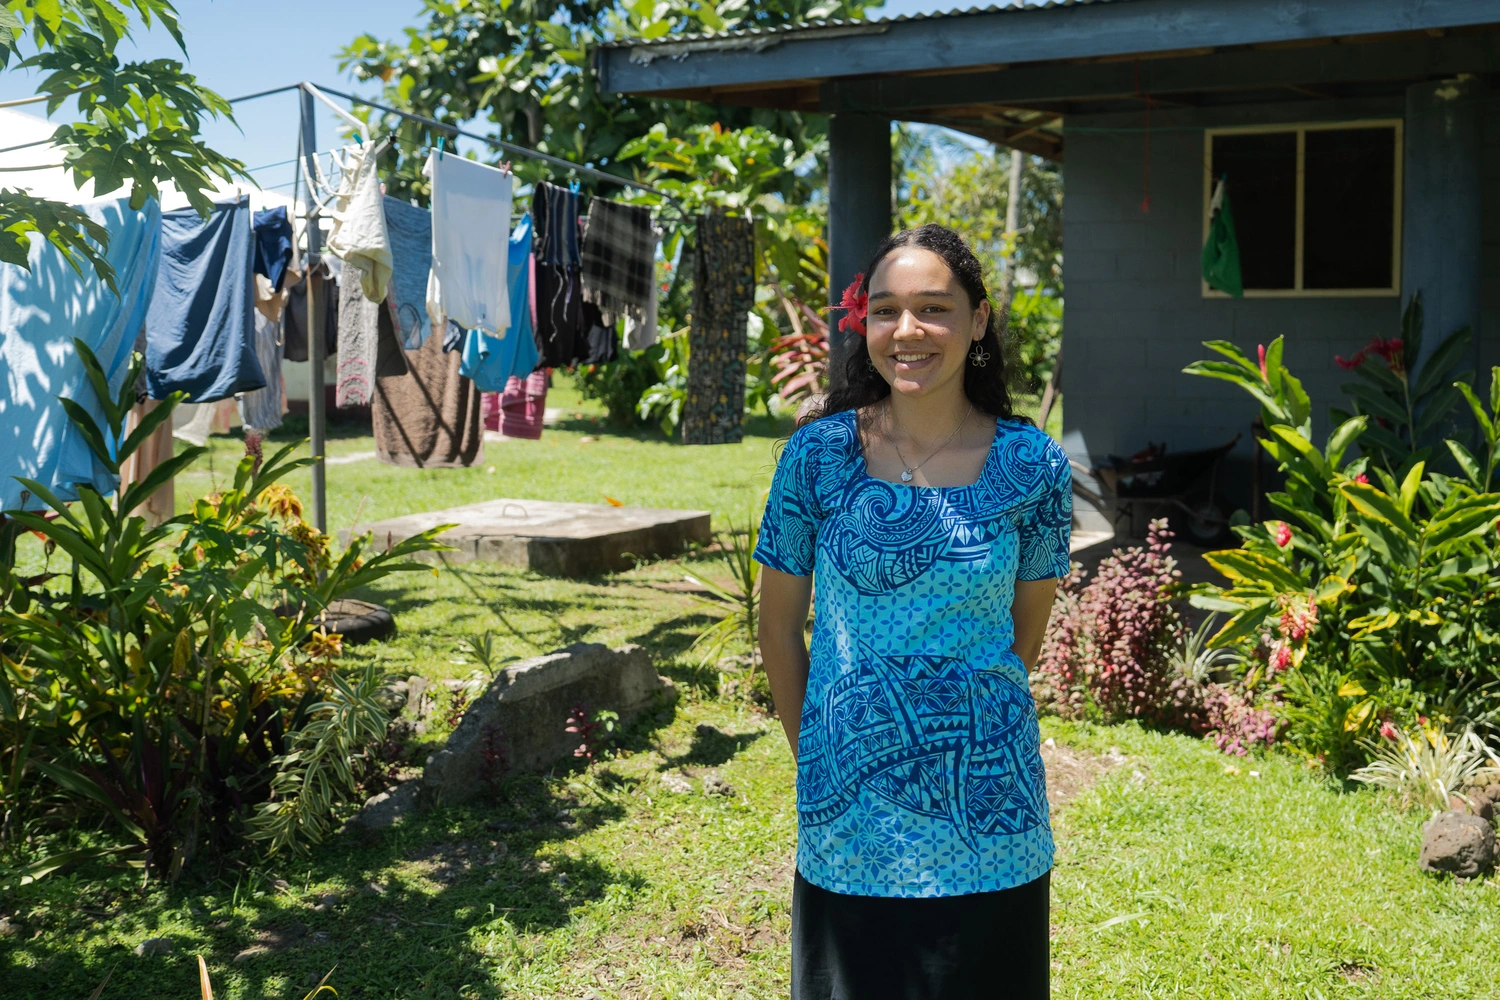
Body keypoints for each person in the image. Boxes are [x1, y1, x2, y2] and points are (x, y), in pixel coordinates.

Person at [755, 224, 1072, 999]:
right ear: (864, 324)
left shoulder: (1034, 466)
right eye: (887, 309)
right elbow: (777, 627)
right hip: (849, 812)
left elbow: (1021, 637)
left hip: (991, 809)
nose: (908, 331)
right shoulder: (817, 456)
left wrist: (950, 723)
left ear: (979, 320)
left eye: (934, 307)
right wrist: (824, 757)